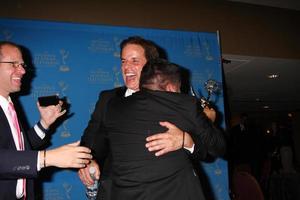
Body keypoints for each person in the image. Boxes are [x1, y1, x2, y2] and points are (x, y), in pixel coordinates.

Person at [78, 36, 210, 199]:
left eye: (134, 60)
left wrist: (186, 140)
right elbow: (91, 138)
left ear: (151, 66)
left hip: (170, 191)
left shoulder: (174, 100)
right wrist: (87, 161)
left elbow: (205, 148)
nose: (126, 67)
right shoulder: (108, 99)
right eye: (123, 61)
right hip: (119, 191)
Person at [95, 58, 226, 200]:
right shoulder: (184, 105)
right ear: (170, 88)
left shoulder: (113, 107)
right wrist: (208, 120)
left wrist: (186, 140)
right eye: (179, 88)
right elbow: (220, 148)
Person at [0, 41, 92, 199]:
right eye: (14, 64)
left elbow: (18, 148)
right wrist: (47, 157)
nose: (22, 70)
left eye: (22, 65)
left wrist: (44, 123)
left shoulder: (9, 105)